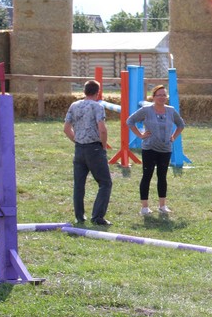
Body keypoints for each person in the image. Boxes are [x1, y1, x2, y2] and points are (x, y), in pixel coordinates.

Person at [126, 85, 185, 216]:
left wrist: (174, 136)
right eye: (159, 95)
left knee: (162, 176)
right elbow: (130, 121)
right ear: (153, 97)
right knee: (147, 176)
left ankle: (162, 205)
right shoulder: (146, 110)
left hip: (166, 149)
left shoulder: (171, 110)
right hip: (149, 148)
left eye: (164, 95)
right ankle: (144, 207)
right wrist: (140, 135)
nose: (162, 97)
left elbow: (181, 124)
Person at [64, 79, 113, 226]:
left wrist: (77, 140)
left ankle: (79, 216)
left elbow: (66, 128)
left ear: (84, 91)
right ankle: (97, 216)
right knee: (105, 183)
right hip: (94, 148)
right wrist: (104, 146)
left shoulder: (74, 105)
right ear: (98, 92)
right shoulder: (97, 106)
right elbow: (102, 129)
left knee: (79, 184)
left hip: (79, 149)